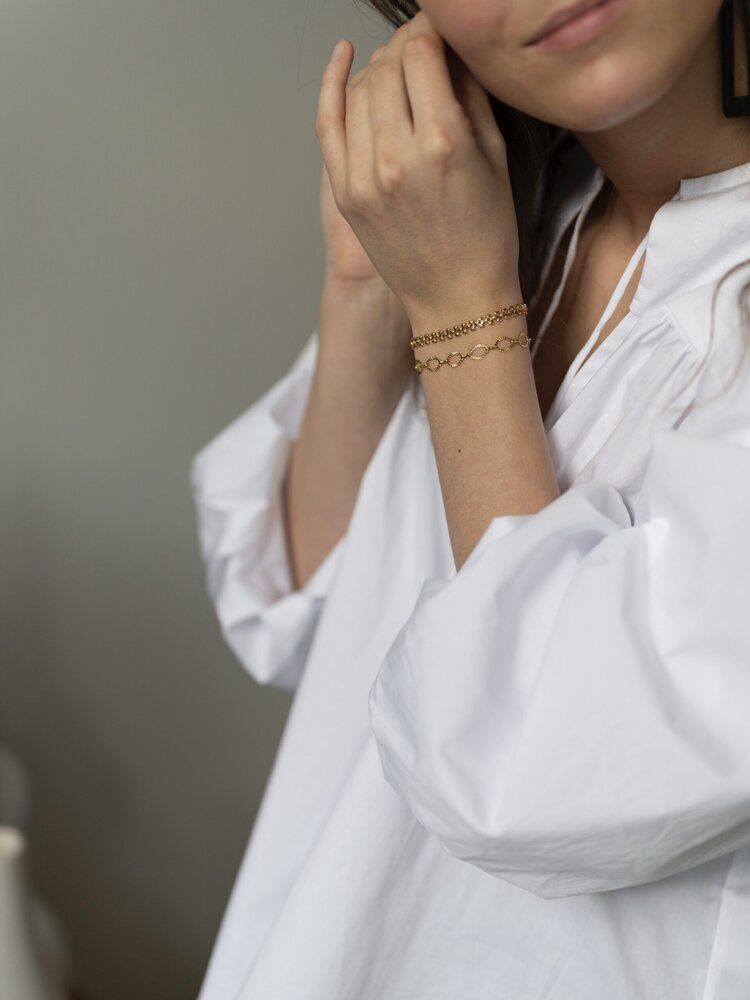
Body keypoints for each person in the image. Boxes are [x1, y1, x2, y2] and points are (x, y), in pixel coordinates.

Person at [190, 0, 750, 996]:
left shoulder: (474, 269)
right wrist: (370, 283)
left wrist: (461, 315)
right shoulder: (505, 218)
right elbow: (311, 619)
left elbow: (545, 766)